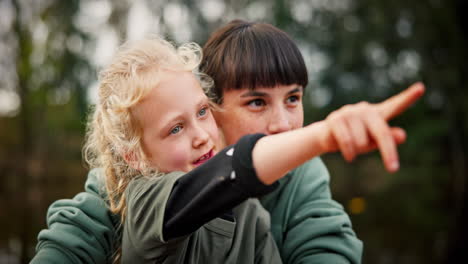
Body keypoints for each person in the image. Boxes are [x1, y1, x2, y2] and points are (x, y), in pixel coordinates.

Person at [31, 20, 424, 264]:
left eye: (293, 98)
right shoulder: (133, 184)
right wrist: (325, 134)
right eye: (256, 102)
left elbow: (327, 243)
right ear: (215, 106)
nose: (284, 125)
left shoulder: (278, 195)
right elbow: (71, 239)